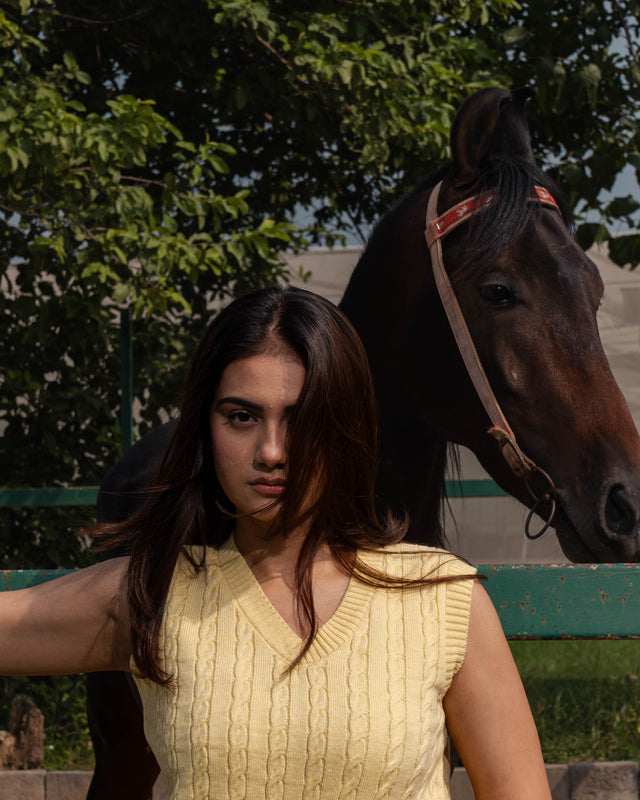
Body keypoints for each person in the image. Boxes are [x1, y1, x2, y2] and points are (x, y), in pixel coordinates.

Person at [1, 286, 551, 800]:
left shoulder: (444, 599)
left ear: (346, 427)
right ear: (205, 429)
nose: (271, 450)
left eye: (302, 418)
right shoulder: (151, 590)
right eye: (241, 416)